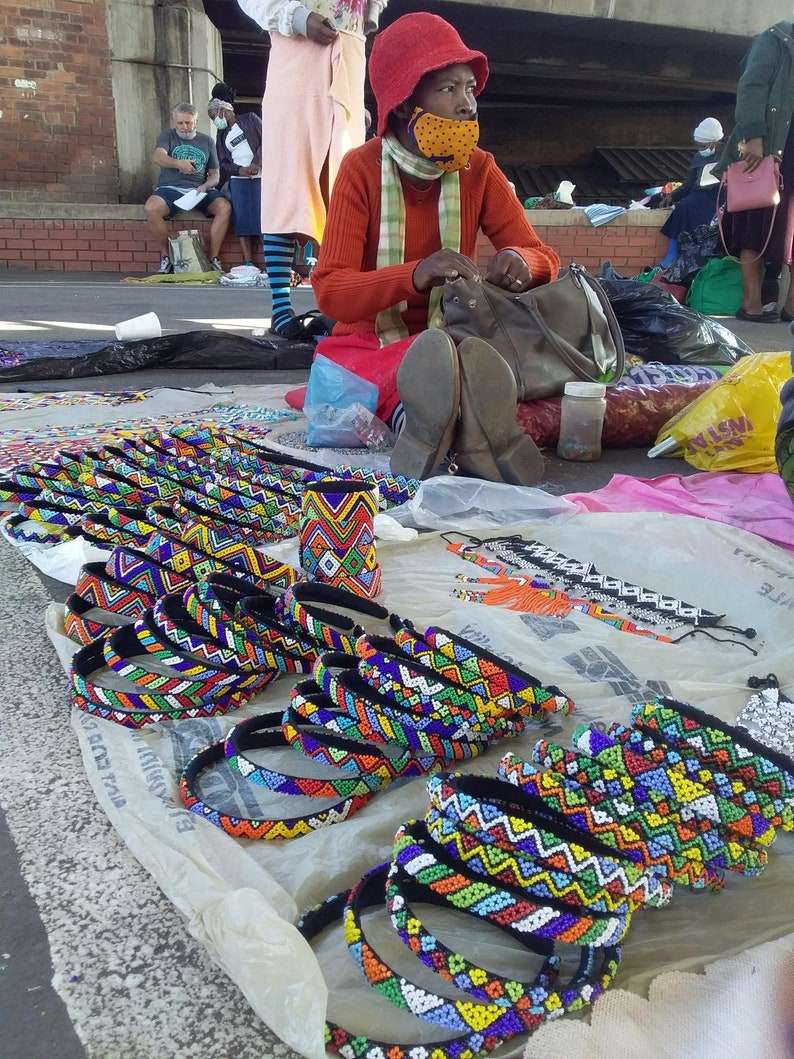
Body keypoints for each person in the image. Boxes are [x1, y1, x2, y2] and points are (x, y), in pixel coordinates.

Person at [310, 13, 560, 483]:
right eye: (448, 89)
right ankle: (460, 429)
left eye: (469, 88)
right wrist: (414, 274)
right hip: (371, 342)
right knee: (427, 369)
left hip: (457, 338)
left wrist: (522, 263)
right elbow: (331, 292)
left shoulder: (479, 169)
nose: (468, 105)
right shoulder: (359, 169)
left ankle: (441, 426)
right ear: (405, 105)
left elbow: (543, 256)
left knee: (457, 360)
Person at [236, 0, 386, 338]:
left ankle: (341, 303)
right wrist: (299, 18)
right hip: (297, 58)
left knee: (343, 186)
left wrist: (371, 11)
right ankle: (280, 307)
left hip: (349, 55)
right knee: (288, 183)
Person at [716, 19, 794, 322]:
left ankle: (786, 307)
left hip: (782, 148)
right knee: (757, 222)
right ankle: (753, 305)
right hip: (774, 146)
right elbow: (753, 85)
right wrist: (753, 135)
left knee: (772, 226)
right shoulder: (777, 38)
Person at [145, 103, 232, 274]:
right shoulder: (167, 136)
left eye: (188, 123)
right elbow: (158, 156)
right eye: (180, 123)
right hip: (170, 188)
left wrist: (206, 185)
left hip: (199, 190)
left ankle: (213, 258)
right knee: (151, 207)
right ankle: (166, 257)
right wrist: (178, 163)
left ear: (196, 122)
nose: (184, 127)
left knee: (225, 207)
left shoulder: (207, 141)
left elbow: (215, 174)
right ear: (174, 122)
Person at [208, 83, 263, 267]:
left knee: (264, 217)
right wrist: (240, 170)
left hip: (261, 176)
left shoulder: (250, 119)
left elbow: (268, 140)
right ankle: (248, 261)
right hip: (239, 180)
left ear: (224, 110)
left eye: (214, 114)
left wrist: (256, 163)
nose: (214, 119)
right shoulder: (222, 136)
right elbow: (223, 162)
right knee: (242, 219)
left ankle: (269, 260)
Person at [658, 117, 723, 268]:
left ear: (714, 142)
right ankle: (672, 255)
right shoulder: (699, 157)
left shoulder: (727, 155)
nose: (701, 149)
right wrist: (672, 196)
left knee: (687, 207)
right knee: (682, 207)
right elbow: (688, 184)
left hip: (716, 197)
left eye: (703, 146)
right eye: (699, 146)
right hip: (697, 196)